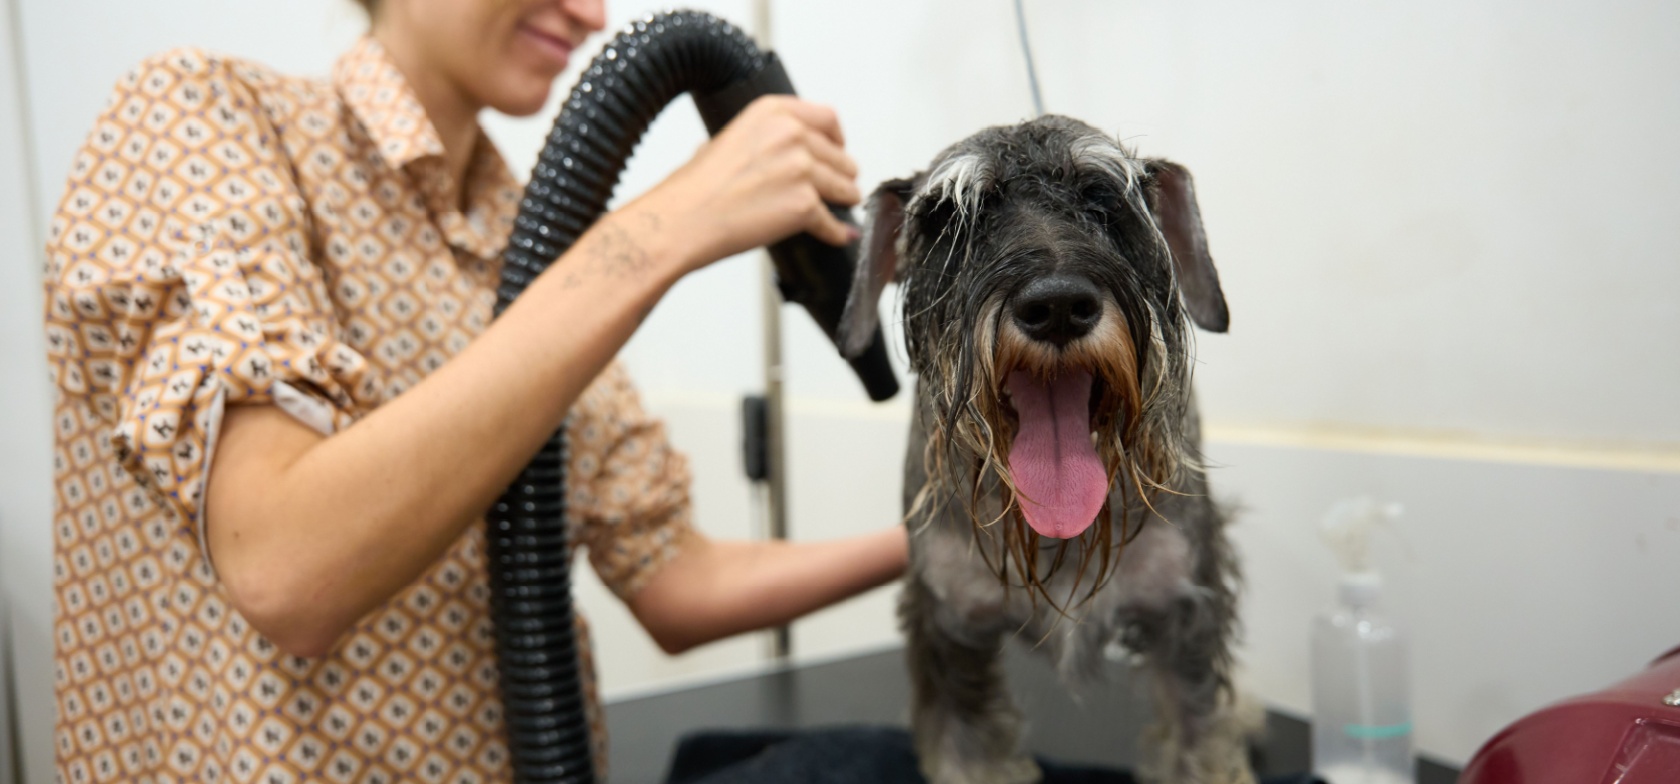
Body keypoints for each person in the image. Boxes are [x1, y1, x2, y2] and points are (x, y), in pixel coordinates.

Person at [40, 0, 908, 780]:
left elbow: (674, 580)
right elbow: (283, 569)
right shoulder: (199, 117)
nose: (592, 14)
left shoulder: (529, 240)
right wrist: (667, 227)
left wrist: (938, 539)